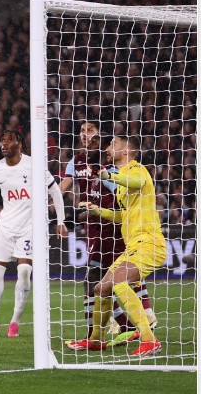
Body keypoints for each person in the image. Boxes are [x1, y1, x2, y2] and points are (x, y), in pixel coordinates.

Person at [58, 122, 154, 347]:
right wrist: (64, 214)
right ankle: (122, 328)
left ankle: (139, 323)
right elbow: (65, 189)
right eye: (82, 131)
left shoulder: (112, 168)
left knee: (107, 279)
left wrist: (79, 217)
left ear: (101, 137)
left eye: (90, 131)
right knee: (100, 281)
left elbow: (124, 204)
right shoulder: (78, 161)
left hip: (113, 231)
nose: (86, 136)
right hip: (93, 229)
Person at [72, 135, 166, 357]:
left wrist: (110, 175)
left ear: (126, 151)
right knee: (100, 289)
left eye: (113, 144)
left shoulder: (137, 170)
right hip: (133, 246)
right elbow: (123, 216)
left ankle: (149, 339)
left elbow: (138, 182)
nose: (107, 148)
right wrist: (98, 211)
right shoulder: (122, 184)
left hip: (150, 244)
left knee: (118, 283)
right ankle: (96, 340)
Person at [0, 129, 66, 338]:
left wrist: (61, 221)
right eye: (2, 140)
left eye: (10, 140)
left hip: (29, 228)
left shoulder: (34, 165)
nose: (4, 144)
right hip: (5, 227)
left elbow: (55, 190)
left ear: (20, 144)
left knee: (24, 272)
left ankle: (14, 322)